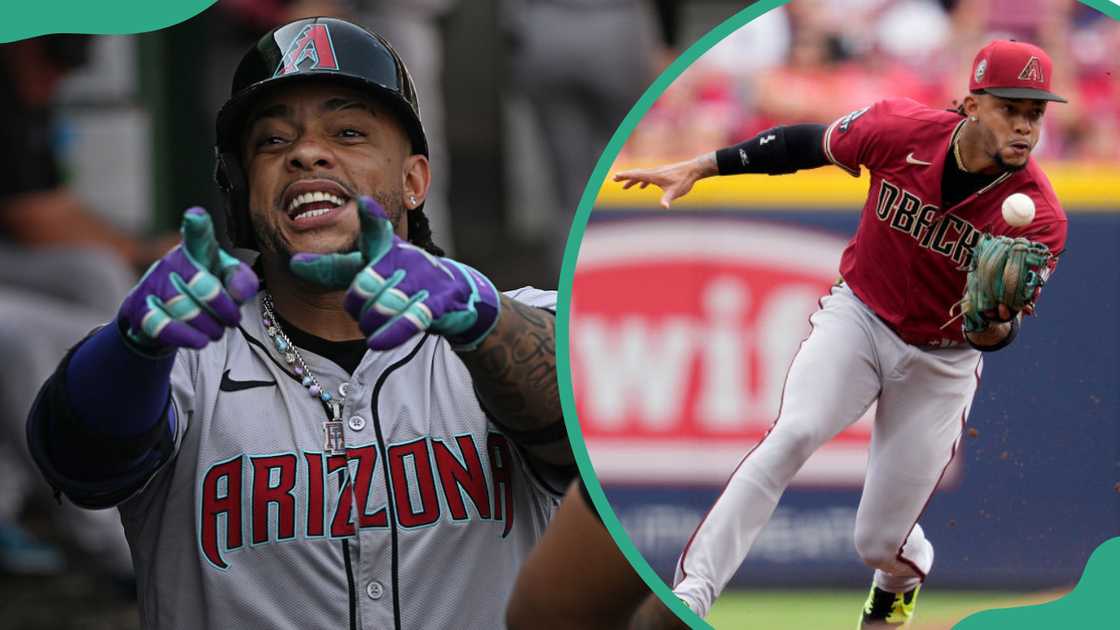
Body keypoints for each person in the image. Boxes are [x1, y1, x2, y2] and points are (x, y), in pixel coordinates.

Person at [27, 17, 571, 629]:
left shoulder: (506, 320)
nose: (306, 152)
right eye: (272, 141)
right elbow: (79, 462)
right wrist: (132, 349)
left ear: (414, 180)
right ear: (241, 190)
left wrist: (485, 325)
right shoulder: (182, 360)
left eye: (348, 132)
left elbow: (581, 421)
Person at [613, 39, 1068, 628]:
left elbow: (997, 338)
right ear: (973, 103)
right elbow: (806, 144)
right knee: (792, 435)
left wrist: (991, 322)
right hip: (859, 319)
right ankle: (692, 595)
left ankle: (901, 577)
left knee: (878, 543)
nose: (1025, 126)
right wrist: (703, 165)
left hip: (943, 360)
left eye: (1035, 112)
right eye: (1010, 108)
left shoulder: (1042, 217)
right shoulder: (900, 130)